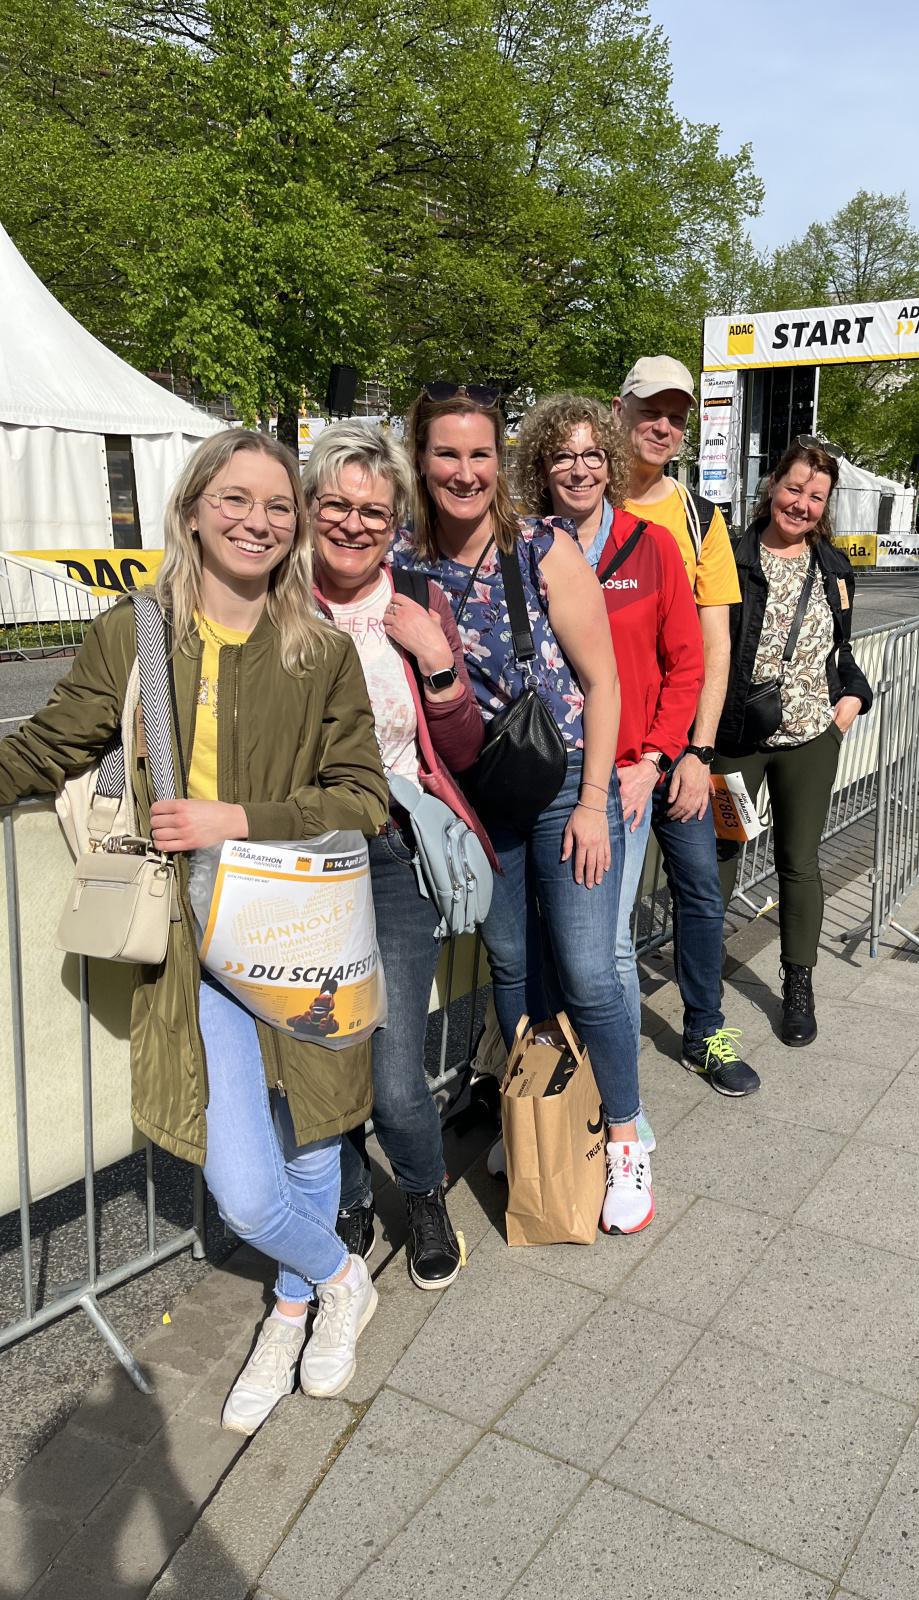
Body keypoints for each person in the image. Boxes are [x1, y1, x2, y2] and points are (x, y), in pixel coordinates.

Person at [0, 429, 389, 1435]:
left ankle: (295, 1308)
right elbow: (51, 744)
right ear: (193, 508)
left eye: (277, 506)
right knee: (247, 1191)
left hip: (301, 930)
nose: (258, 520)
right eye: (237, 499)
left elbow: (365, 799)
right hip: (192, 951)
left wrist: (236, 820)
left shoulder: (322, 650)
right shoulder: (133, 633)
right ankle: (343, 1275)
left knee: (312, 1142)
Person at [393, 384, 653, 1235]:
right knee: (512, 967)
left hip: (563, 780)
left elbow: (603, 680)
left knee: (587, 970)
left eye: (479, 455)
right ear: (420, 457)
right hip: (476, 798)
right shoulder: (402, 560)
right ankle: (533, 1107)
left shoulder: (542, 546)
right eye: (446, 454)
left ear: (499, 459)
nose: (464, 473)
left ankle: (622, 1134)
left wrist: (590, 803)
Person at [305, 420, 487, 1290]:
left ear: (394, 518)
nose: (354, 523)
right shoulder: (277, 604)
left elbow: (460, 740)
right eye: (335, 504)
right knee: (320, 1050)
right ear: (308, 510)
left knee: (392, 1065)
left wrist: (440, 661)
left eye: (373, 510)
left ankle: (423, 1193)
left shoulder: (415, 600)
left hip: (393, 852)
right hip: (298, 864)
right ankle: (346, 1196)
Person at [514, 394, 704, 1139]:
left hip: (620, 779)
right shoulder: (522, 544)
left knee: (606, 954)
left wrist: (653, 759)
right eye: (563, 455)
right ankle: (555, 1101)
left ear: (612, 463)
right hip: (538, 773)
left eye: (594, 455)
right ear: (542, 466)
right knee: (541, 953)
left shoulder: (650, 547)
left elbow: (685, 665)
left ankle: (621, 1111)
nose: (581, 469)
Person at [614, 356, 759, 1097]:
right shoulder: (579, 499)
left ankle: (704, 1030)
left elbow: (716, 643)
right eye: (651, 411)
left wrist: (699, 752)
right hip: (598, 750)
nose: (663, 426)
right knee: (593, 906)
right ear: (620, 410)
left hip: (675, 752)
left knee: (700, 889)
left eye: (676, 415)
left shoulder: (700, 517)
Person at [714, 439, 873, 1046]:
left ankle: (798, 984)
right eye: (793, 488)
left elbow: (844, 656)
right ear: (772, 485)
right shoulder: (730, 558)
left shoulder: (833, 567)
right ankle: (701, 973)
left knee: (799, 864)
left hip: (811, 740)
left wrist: (849, 705)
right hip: (737, 739)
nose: (801, 504)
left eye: (815, 496)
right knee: (721, 856)